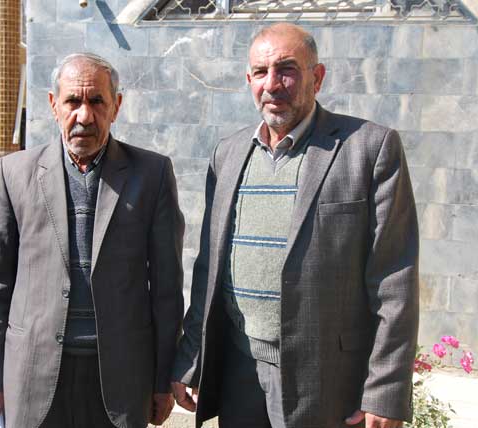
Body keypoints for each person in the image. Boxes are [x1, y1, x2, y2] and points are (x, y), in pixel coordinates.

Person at [171, 23, 419, 428]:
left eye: (286, 69)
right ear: (248, 80)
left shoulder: (369, 149)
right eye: (260, 72)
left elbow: (394, 278)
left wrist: (385, 390)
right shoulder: (228, 154)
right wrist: (192, 357)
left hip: (327, 381)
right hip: (239, 371)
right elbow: (209, 269)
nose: (272, 84)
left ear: (317, 78)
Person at [0, 52, 184, 428]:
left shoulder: (151, 174)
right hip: (34, 376)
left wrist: (162, 380)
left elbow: (166, 289)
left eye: (97, 101)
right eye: (73, 101)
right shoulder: (14, 174)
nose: (84, 116)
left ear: (116, 106)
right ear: (54, 105)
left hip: (120, 379)